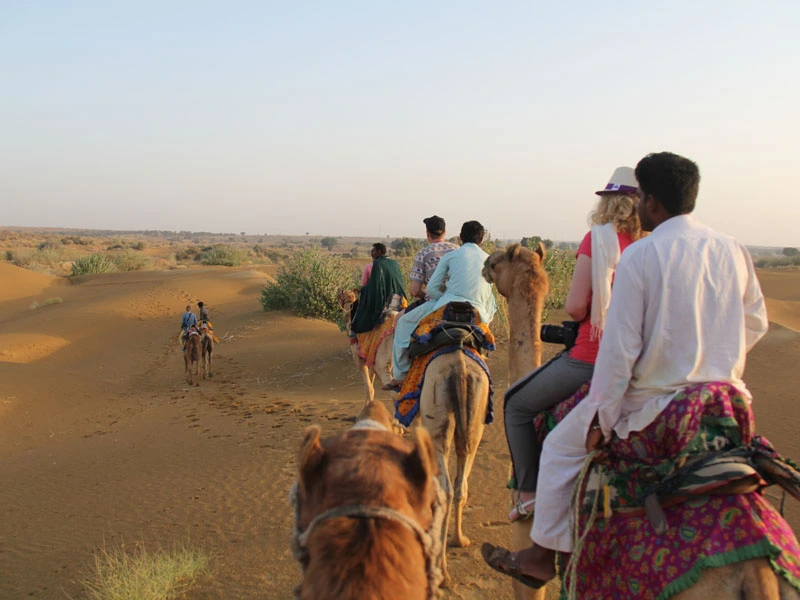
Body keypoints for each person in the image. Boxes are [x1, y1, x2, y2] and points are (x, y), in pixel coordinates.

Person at [482, 151, 768, 585]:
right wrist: (713, 356)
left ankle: (540, 557)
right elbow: (755, 323)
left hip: (655, 399)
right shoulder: (733, 249)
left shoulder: (640, 256)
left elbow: (620, 349)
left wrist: (603, 415)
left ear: (650, 201)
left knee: (559, 448)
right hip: (723, 399)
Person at [503, 166, 643, 522]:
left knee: (515, 405)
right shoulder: (651, 245)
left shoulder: (596, 239)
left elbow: (577, 305)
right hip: (644, 359)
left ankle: (527, 494)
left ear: (610, 202)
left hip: (592, 356)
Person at [387, 220, 497, 387]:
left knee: (403, 323)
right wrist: (485, 315)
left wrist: (442, 298)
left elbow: (431, 289)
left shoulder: (451, 256)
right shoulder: (488, 260)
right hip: (478, 312)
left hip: (447, 305)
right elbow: (490, 295)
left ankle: (400, 375)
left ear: (460, 237)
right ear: (481, 240)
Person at [350, 243, 406, 335]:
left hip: (382, 300)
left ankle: (354, 334)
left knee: (358, 312)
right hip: (399, 299)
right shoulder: (394, 263)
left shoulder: (376, 264)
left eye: (373, 251)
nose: (372, 253)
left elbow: (371, 285)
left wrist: (362, 291)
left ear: (379, 252)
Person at [409, 215, 459, 303]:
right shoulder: (457, 249)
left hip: (433, 304)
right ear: (444, 233)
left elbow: (415, 290)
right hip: (457, 301)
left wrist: (425, 294)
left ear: (427, 233)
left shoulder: (423, 254)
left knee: (400, 317)